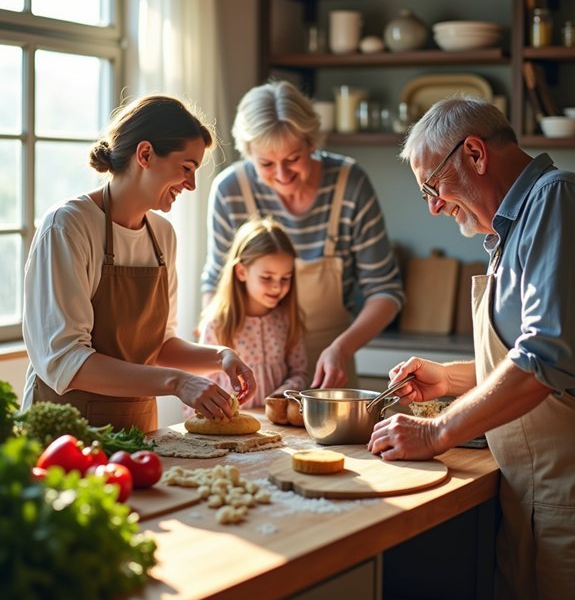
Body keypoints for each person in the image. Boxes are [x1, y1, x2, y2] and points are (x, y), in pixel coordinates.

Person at [368, 96, 575, 600]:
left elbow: (545, 361)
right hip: (531, 496)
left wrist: (436, 430)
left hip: (566, 496)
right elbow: (526, 358)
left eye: (433, 184)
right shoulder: (516, 226)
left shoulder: (554, 200)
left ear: (475, 153)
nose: (434, 207)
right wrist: (448, 377)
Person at [22, 94, 255, 433]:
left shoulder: (162, 235)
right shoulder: (68, 226)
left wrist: (220, 356)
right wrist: (178, 382)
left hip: (139, 431)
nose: (191, 185)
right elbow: (65, 362)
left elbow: (159, 345)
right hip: (66, 436)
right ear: (145, 154)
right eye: (186, 168)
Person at [201, 79, 404, 388]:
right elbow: (218, 284)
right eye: (267, 163)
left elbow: (386, 291)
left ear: (312, 143)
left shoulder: (349, 184)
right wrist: (216, 347)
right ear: (248, 154)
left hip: (331, 364)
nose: (282, 175)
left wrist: (341, 348)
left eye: (293, 158)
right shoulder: (231, 191)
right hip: (253, 371)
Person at [195, 216, 307, 411]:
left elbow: (300, 372)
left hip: (277, 426)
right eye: (266, 277)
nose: (276, 286)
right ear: (241, 272)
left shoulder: (286, 320)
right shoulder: (217, 324)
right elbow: (200, 385)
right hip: (227, 427)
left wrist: (284, 394)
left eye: (285, 278)